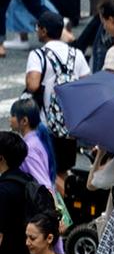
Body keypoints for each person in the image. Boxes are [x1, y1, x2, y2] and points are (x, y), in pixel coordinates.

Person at [25, 11, 87, 191]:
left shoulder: (38, 55)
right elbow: (86, 84)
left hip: (46, 124)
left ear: (44, 31)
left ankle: (63, 215)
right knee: (64, 170)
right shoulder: (76, 54)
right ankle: (72, 205)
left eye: (38, 28)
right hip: (69, 123)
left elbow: (33, 85)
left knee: (46, 171)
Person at [8, 99, 55, 192]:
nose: (9, 119)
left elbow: (43, 183)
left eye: (13, 115)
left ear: (24, 121)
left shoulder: (28, 149)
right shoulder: (37, 140)